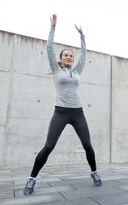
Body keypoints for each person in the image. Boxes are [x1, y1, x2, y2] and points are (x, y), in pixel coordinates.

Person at [24, 15, 102, 195]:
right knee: (49, 146)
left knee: (87, 145)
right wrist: (53, 28)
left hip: (77, 113)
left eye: (71, 56)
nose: (69, 57)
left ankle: (94, 172)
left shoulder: (77, 71)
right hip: (60, 112)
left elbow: (85, 55)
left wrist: (82, 37)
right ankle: (32, 179)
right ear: (60, 59)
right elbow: (49, 47)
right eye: (66, 55)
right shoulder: (57, 70)